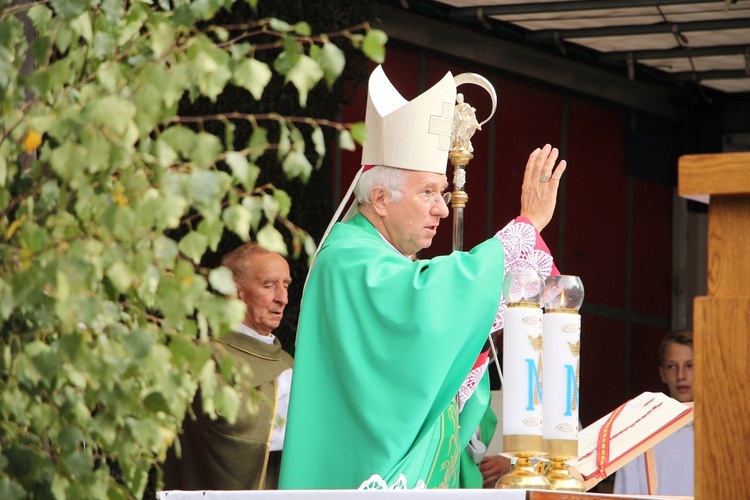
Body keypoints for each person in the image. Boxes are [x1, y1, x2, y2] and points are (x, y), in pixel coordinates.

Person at [279, 65, 566, 490]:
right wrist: (523, 229)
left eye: (444, 193)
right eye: (428, 192)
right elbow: (422, 307)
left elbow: (428, 343)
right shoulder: (346, 258)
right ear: (380, 198)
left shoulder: (385, 260)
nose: (442, 209)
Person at [165, 243, 294, 490]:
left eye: (286, 285)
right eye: (269, 285)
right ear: (236, 293)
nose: (283, 298)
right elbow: (225, 425)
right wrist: (287, 385)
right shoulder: (203, 355)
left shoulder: (287, 361)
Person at [613, 330, 694, 496]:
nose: (680, 376)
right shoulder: (639, 432)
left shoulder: (723, 434)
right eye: (672, 366)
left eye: (690, 366)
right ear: (662, 374)